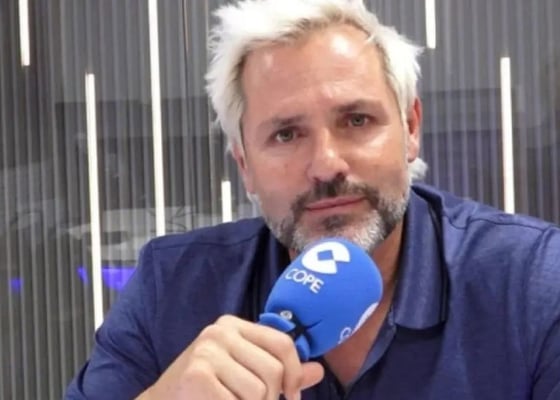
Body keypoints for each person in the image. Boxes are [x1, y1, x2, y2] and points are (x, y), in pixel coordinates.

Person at [65, 0, 560, 398]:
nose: (326, 164)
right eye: (285, 134)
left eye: (357, 121)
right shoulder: (170, 288)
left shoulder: (534, 283)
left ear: (410, 129)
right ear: (245, 164)